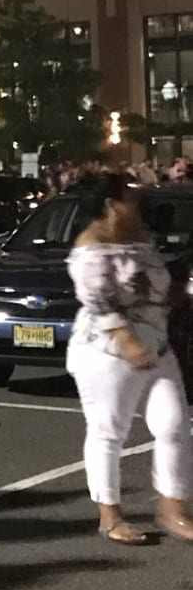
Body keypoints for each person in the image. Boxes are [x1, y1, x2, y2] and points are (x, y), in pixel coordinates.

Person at [65, 173, 193, 547]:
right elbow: (99, 301)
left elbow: (158, 287)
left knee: (174, 424)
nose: (138, 206)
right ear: (110, 206)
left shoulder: (140, 239)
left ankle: (172, 509)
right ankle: (110, 516)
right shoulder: (90, 248)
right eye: (130, 200)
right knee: (108, 431)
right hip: (106, 352)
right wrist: (127, 339)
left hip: (156, 346)